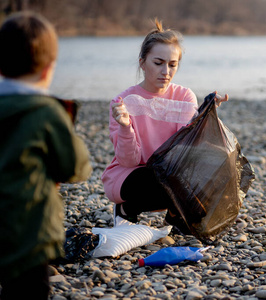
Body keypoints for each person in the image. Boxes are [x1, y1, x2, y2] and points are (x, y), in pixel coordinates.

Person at [0, 11, 92, 300]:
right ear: (48, 70)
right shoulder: (47, 112)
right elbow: (74, 167)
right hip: (31, 232)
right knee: (28, 292)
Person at [101, 19, 228, 227]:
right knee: (160, 179)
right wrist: (125, 126)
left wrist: (206, 114)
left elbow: (185, 150)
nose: (166, 72)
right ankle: (126, 208)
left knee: (216, 168)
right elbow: (129, 161)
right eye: (158, 63)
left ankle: (174, 214)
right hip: (133, 175)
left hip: (170, 172)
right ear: (142, 62)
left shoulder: (184, 96)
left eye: (172, 65)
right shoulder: (122, 102)